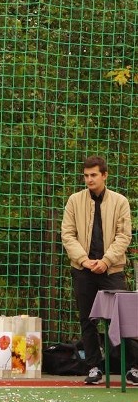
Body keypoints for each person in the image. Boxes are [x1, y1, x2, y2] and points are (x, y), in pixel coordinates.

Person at [61, 155, 137, 386]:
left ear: (104, 175)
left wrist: (105, 261)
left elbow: (124, 236)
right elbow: (67, 235)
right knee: (87, 319)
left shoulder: (120, 202)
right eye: (86, 175)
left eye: (94, 175)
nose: (89, 179)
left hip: (111, 269)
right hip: (83, 270)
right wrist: (84, 261)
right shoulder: (74, 201)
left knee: (124, 318)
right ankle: (94, 367)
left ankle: (134, 368)